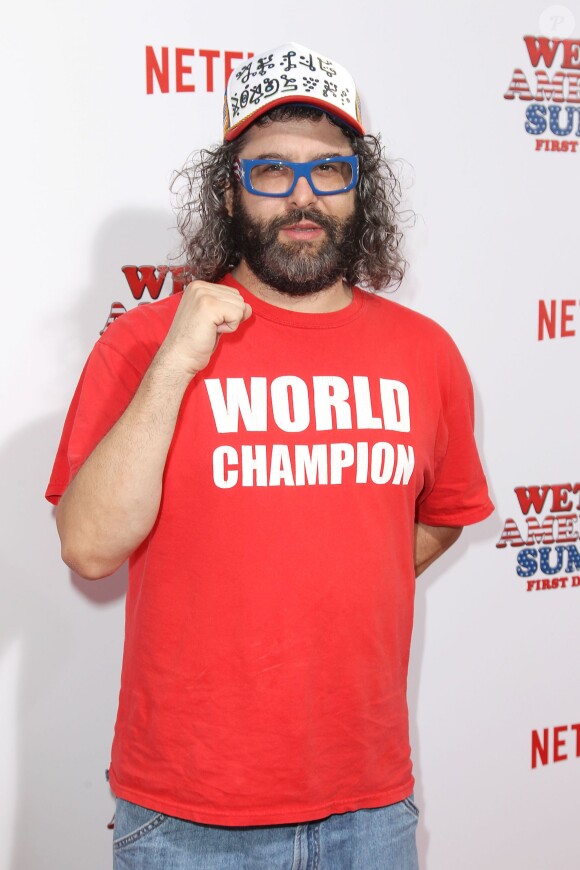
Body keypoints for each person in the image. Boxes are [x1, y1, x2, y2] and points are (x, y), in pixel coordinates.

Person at [47, 42, 493, 870]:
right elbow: (88, 546)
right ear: (228, 189)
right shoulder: (144, 342)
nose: (301, 197)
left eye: (329, 172)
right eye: (269, 172)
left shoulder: (425, 353)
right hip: (187, 817)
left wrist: (335, 576)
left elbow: (446, 515)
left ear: (361, 190)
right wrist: (177, 363)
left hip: (369, 809)